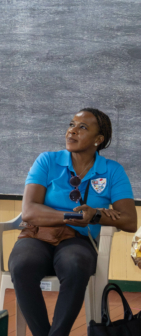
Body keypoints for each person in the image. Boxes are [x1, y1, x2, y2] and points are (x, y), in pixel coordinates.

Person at [9, 108, 138, 336]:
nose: (72, 131)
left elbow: (129, 221)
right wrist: (76, 216)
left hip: (79, 240)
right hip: (38, 235)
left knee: (75, 264)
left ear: (99, 139)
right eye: (71, 125)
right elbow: (29, 210)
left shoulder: (112, 171)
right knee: (22, 265)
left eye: (82, 127)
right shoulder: (47, 160)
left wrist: (96, 215)